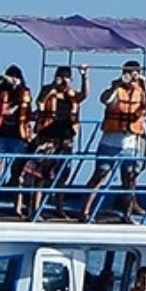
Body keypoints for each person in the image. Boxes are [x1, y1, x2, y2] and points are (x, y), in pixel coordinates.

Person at [79, 60, 146, 222]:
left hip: (131, 143)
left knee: (129, 179)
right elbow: (105, 100)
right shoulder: (116, 89)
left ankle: (127, 214)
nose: (131, 76)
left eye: (135, 72)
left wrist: (145, 85)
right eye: (128, 72)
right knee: (100, 175)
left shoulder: (142, 91)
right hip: (110, 142)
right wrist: (116, 85)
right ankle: (85, 211)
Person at [30, 64, 89, 204]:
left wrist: (84, 76)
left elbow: (84, 95)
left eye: (67, 78)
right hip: (48, 136)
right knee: (41, 174)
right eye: (61, 77)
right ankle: (36, 207)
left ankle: (59, 207)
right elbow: (40, 102)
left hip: (66, 137)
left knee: (63, 173)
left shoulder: (72, 95)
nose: (64, 81)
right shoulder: (48, 90)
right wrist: (53, 86)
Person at [0, 65, 34, 211]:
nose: (13, 80)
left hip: (18, 137)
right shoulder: (1, 90)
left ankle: (17, 207)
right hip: (0, 135)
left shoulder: (25, 92)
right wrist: (2, 78)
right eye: (11, 77)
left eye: (16, 77)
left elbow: (26, 105)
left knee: (18, 173)